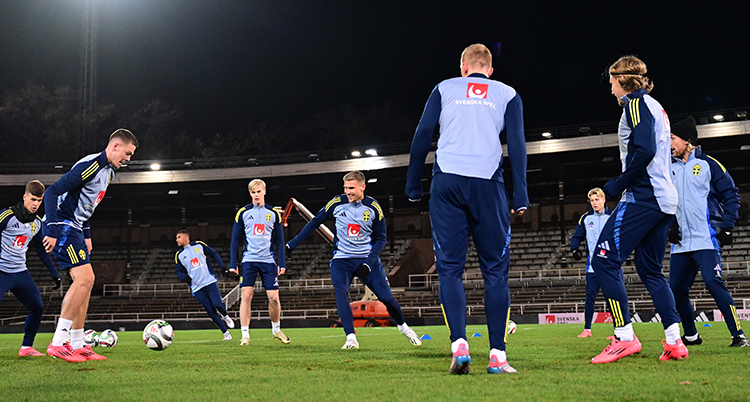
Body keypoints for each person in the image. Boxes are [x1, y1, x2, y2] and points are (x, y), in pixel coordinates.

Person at [405, 43, 528, 374]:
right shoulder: (507, 93)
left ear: (463, 67)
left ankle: (459, 345)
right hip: (488, 184)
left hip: (447, 183)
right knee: (495, 273)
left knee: (449, 270)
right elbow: (516, 143)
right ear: (489, 70)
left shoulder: (444, 88)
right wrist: (522, 193)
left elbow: (423, 134)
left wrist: (413, 183)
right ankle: (498, 357)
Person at [589, 56, 687, 364]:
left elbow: (644, 149)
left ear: (622, 81)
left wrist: (617, 184)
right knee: (650, 271)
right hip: (663, 198)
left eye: (612, 80)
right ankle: (674, 341)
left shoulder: (635, 104)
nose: (609, 86)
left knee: (603, 260)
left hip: (645, 197)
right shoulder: (655, 105)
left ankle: (624, 337)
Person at [287, 171, 422, 350]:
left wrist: (368, 262)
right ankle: (351, 338)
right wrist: (292, 244)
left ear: (362, 187)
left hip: (366, 260)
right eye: (345, 188)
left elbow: (381, 238)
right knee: (341, 293)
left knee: (387, 299)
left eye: (351, 188)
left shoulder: (374, 207)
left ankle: (404, 328)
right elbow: (314, 222)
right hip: (341, 260)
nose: (348, 192)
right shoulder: (337, 203)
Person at [42, 128, 137, 362]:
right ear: (115, 146)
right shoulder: (91, 165)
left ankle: (77, 344)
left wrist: (87, 234)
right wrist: (53, 229)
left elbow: (85, 206)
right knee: (85, 279)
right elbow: (52, 192)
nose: (128, 159)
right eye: (127, 153)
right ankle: (57, 342)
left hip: (75, 227)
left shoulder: (109, 172)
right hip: (63, 225)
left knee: (86, 281)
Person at [668, 116, 747, 347]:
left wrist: (728, 226)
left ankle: (738, 335)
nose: (669, 143)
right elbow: (663, 202)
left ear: (687, 141)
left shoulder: (709, 164)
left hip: (706, 238)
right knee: (675, 290)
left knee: (713, 282)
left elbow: (731, 195)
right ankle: (691, 335)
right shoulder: (667, 168)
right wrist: (670, 226)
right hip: (681, 243)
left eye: (672, 138)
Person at [0, 180, 61, 357]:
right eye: (33, 199)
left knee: (37, 307)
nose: (36, 204)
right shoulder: (7, 216)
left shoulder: (37, 224)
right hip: (2, 271)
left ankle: (27, 347)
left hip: (20, 272)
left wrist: (54, 273)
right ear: (25, 197)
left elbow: (41, 250)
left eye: (39, 201)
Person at [229, 179, 290, 346]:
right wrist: (232, 263)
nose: (256, 195)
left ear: (264, 192)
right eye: (253, 192)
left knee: (274, 298)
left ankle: (276, 330)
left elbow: (279, 240)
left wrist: (282, 263)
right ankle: (245, 335)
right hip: (248, 260)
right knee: (246, 296)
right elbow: (235, 239)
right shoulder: (242, 212)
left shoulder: (273, 213)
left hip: (268, 261)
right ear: (250, 194)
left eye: (258, 191)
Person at [175, 230, 234, 340]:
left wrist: (222, 267)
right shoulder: (179, 255)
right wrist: (184, 277)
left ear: (185, 237)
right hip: (197, 288)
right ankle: (226, 334)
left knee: (217, 304)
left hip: (209, 281)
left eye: (178, 237)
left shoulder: (199, 245)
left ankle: (226, 316)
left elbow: (213, 253)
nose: (176, 240)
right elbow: (178, 271)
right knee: (210, 310)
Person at [570, 188, 611, 338]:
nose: (594, 203)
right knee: (590, 297)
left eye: (597, 199)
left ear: (603, 200)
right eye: (592, 200)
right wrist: (574, 249)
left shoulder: (612, 216)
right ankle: (587, 329)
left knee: (612, 297)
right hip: (592, 266)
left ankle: (618, 331)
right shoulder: (585, 218)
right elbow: (577, 236)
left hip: (610, 265)